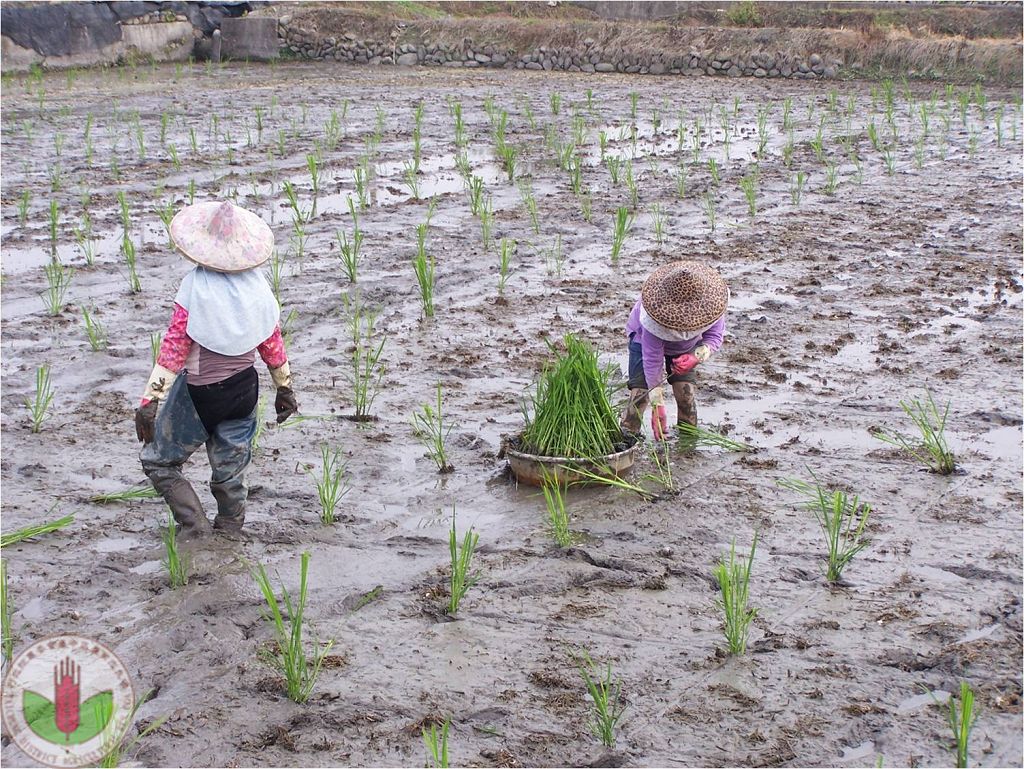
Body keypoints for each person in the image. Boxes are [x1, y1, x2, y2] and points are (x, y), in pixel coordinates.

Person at [134, 201, 298, 538]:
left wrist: (151, 400)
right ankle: (230, 529)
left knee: (158, 461)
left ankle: (195, 527)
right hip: (244, 391)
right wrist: (284, 387)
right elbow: (272, 342)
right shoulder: (257, 289)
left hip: (200, 395)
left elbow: (175, 347)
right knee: (230, 470)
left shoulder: (195, 288)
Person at [621, 260, 729, 439]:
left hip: (686, 349)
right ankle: (627, 439)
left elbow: (714, 338)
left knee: (686, 395)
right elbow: (652, 362)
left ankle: (687, 446)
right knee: (640, 395)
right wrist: (658, 406)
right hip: (642, 343)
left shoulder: (712, 303)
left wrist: (696, 357)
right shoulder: (653, 315)